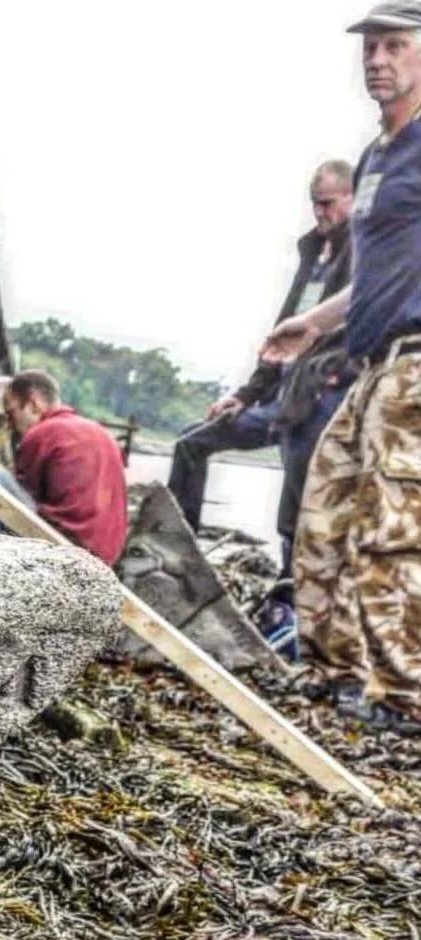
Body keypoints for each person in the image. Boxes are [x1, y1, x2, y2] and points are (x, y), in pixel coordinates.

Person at [263, 4, 421, 730]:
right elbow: (374, 275)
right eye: (371, 47)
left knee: (393, 527)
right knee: (321, 515)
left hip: (415, 366)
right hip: (369, 362)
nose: (377, 59)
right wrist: (314, 321)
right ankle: (332, 672)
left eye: (395, 46)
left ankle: (403, 695)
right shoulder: (375, 157)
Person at [168, 163, 354, 546]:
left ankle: (291, 590)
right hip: (276, 401)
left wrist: (334, 378)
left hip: (317, 404)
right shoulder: (312, 255)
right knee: (192, 441)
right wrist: (244, 395)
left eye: (328, 203)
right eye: (314, 204)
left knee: (299, 505)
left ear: (352, 199)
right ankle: (178, 545)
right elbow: (280, 343)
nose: (320, 213)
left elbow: (363, 326)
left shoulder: (365, 255)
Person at [3, 370, 128, 563]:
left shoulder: (42, 433)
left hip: (65, 546)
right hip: (106, 554)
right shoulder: (101, 432)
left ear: (33, 403)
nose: (9, 425)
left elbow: (21, 498)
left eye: (11, 413)